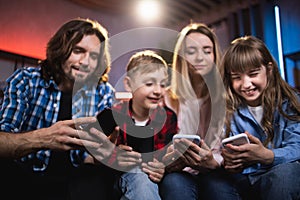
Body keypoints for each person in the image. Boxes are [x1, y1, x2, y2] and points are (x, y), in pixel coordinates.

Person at [0, 18, 118, 200]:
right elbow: (2, 141)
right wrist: (44, 138)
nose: (86, 61)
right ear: (60, 50)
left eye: (94, 56)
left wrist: (107, 154)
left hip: (75, 180)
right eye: (78, 51)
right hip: (25, 174)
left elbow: (95, 157)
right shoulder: (26, 80)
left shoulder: (103, 92)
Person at [221, 35, 300, 199]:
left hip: (283, 178)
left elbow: (297, 147)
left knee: (285, 173)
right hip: (246, 181)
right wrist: (231, 163)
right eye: (237, 77)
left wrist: (268, 156)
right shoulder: (230, 110)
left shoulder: (290, 103)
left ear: (269, 70)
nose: (246, 84)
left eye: (253, 74)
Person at [159, 23, 231, 200]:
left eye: (207, 51)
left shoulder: (227, 97)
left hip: (215, 169)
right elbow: (157, 146)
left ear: (215, 55)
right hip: (178, 172)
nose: (200, 57)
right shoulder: (166, 98)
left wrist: (214, 162)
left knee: (220, 192)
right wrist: (168, 161)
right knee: (176, 188)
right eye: (191, 51)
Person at [109, 50, 178, 200]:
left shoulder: (169, 117)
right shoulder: (113, 116)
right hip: (121, 180)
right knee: (139, 175)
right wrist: (114, 155)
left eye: (163, 84)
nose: (158, 91)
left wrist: (163, 167)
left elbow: (170, 155)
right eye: (149, 83)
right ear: (128, 84)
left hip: (152, 182)